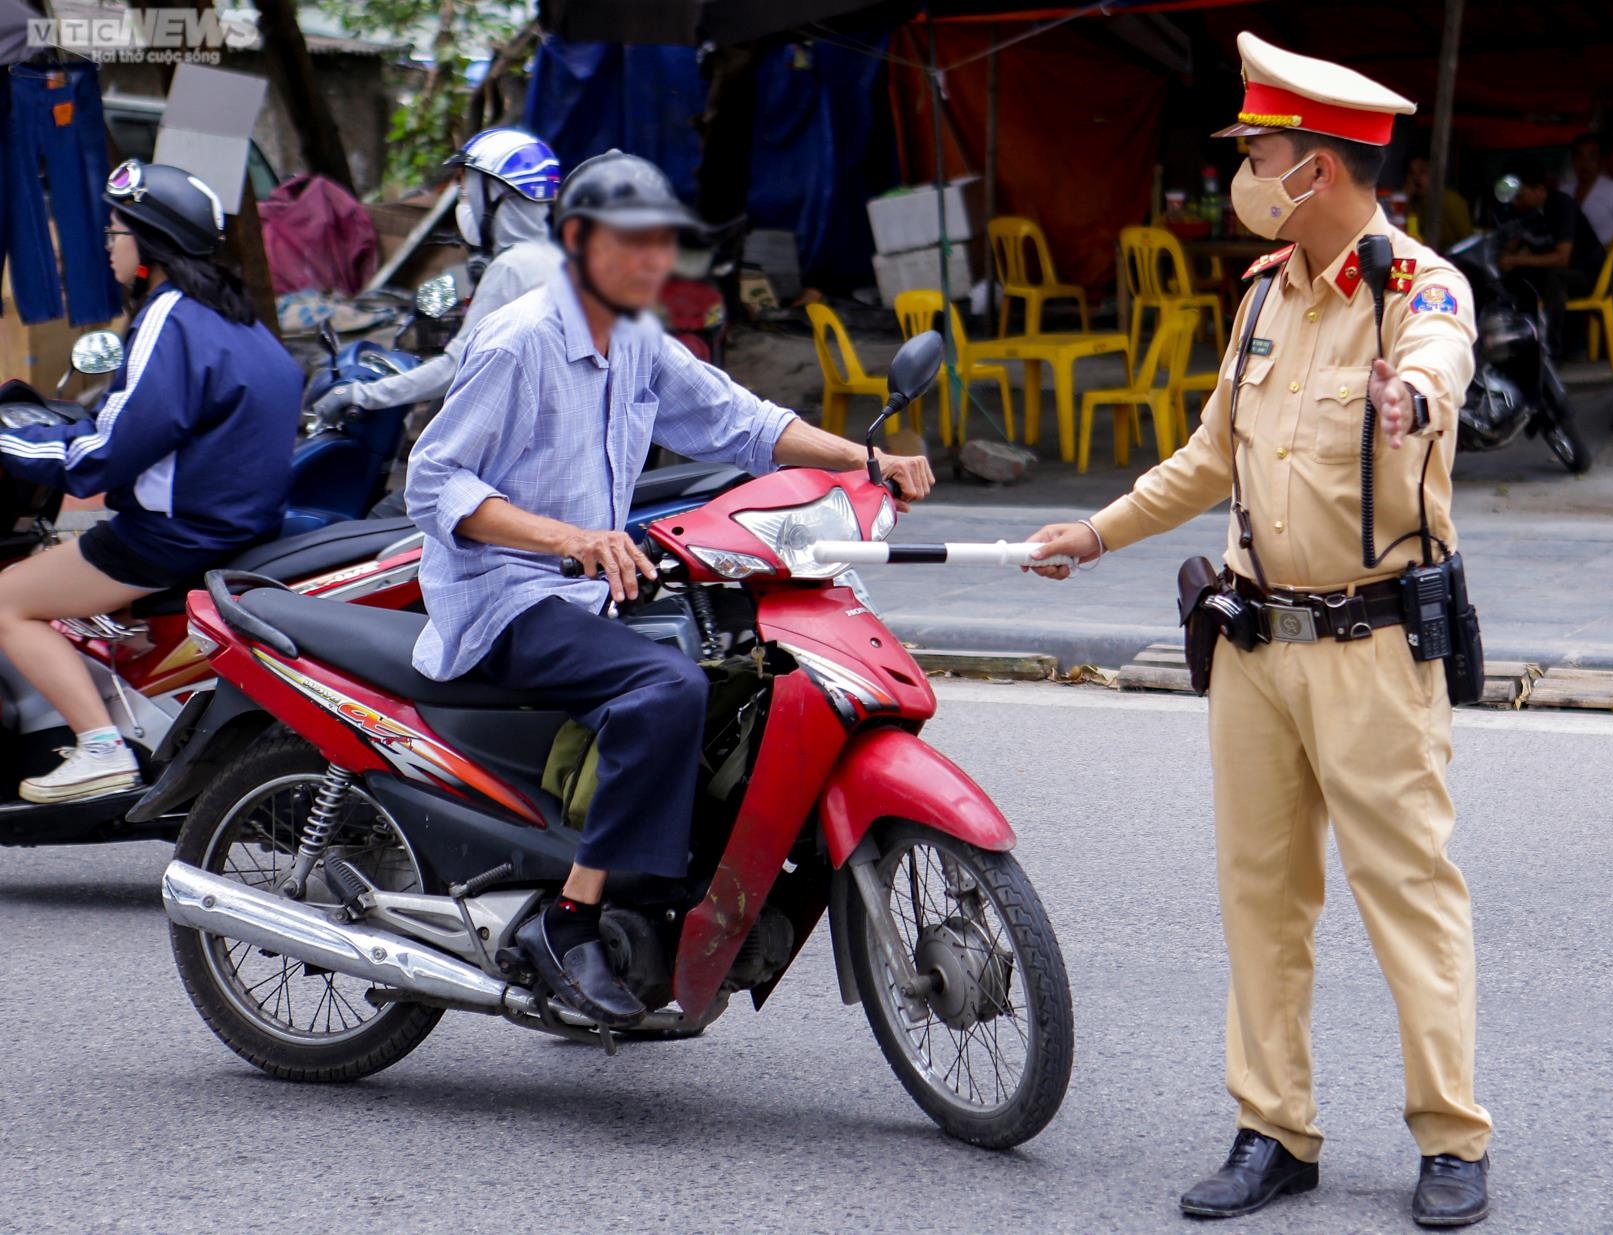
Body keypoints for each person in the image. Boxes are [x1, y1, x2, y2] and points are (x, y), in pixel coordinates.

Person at [1026, 33, 1492, 1227]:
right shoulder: (1264, 297)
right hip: (1252, 645)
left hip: (1372, 649)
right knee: (1262, 898)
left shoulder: (1418, 289)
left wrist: (1411, 396)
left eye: (1259, 153)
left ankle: (1450, 1136)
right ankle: (1273, 1127)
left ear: (1317, 169)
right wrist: (1099, 530)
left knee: (1408, 893)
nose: (1243, 174)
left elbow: (1442, 362)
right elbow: (1208, 457)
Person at [405, 151, 934, 1030]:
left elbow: (741, 422)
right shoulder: (521, 340)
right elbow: (433, 482)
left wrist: (864, 457)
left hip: (590, 586)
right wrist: (570, 539)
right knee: (666, 687)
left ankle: (651, 893)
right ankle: (570, 921)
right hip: (507, 593)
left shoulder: (637, 338)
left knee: (737, 669)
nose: (652, 259)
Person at [0, 160, 301, 803]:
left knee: (5, 601)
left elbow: (103, 456)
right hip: (234, 528)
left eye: (115, 232)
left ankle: (100, 749)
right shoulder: (238, 319)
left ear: (150, 242)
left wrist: (13, 441)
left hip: (170, 536)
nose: (108, 245)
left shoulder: (171, 315)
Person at [309, 129, 564, 429]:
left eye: (468, 193)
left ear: (496, 196)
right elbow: (428, 303)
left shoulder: (510, 269)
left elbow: (456, 367)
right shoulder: (553, 259)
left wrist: (361, 394)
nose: (463, 204)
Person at [1497, 157, 1604, 353]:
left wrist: (1515, 259)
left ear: (1539, 190)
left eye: (1520, 196)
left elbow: (1562, 258)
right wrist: (1509, 255)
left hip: (1585, 273)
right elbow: (1514, 244)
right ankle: (1521, 343)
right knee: (1514, 279)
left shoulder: (1562, 206)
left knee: (1554, 277)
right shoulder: (1522, 211)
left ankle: (1554, 349)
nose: (1515, 202)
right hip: (1550, 271)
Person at [1561, 132, 1613, 247]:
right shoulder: (1564, 190)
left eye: (1592, 157)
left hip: (1606, 254)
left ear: (1601, 161)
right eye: (1579, 157)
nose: (1585, 164)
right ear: (1572, 160)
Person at [1401, 153, 1473, 247]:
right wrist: (1407, 198)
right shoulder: (1414, 203)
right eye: (1411, 173)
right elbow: (1412, 236)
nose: (1416, 177)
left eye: (1422, 171)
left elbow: (1469, 240)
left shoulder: (1450, 201)